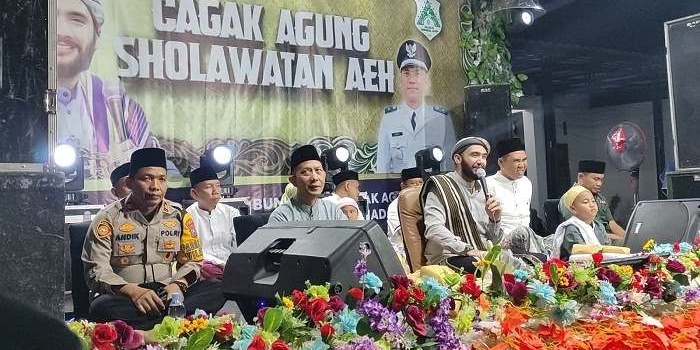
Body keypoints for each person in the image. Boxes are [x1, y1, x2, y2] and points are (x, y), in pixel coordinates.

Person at [82, 148, 225, 330]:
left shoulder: (179, 216)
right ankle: (173, 325)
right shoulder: (107, 218)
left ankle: (146, 328)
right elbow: (97, 270)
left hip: (167, 293)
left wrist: (177, 285)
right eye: (147, 178)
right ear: (130, 182)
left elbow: (193, 262)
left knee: (217, 288)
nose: (155, 186)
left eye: (162, 179)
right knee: (101, 307)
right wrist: (133, 291)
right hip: (125, 296)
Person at [57, 0, 151, 178]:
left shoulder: (121, 105)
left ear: (96, 37)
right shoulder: (17, 104)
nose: (61, 31)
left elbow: (162, 170)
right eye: (51, 20)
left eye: (76, 20)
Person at [421, 137, 504, 271]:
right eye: (475, 155)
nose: (480, 161)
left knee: (530, 260)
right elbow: (433, 228)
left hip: (482, 253)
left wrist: (495, 220)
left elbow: (493, 241)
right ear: (458, 159)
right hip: (449, 257)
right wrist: (466, 249)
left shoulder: (486, 190)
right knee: (491, 268)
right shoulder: (441, 186)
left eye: (484, 156)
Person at [376, 39, 456, 173]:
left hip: (432, 190)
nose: (412, 80)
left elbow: (450, 167)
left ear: (426, 79)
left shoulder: (441, 118)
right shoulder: (389, 118)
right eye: (406, 73)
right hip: (400, 190)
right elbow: (382, 167)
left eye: (417, 73)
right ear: (400, 79)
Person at [486, 138, 545, 253]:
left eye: (524, 160)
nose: (522, 165)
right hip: (501, 244)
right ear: (501, 162)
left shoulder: (526, 183)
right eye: (516, 161)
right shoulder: (489, 184)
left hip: (527, 242)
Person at [186, 166, 240, 280]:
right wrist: (220, 264)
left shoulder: (231, 213)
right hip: (206, 266)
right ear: (194, 193)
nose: (216, 191)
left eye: (218, 185)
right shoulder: (187, 216)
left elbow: (238, 245)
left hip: (231, 264)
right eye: (208, 187)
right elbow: (194, 251)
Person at [268, 145, 347, 222]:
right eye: (305, 172)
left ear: (324, 175)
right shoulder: (281, 217)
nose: (315, 178)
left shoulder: (333, 211)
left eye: (318, 170)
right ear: (293, 180)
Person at [558, 160, 626, 243]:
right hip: (588, 241)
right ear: (581, 177)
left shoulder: (600, 198)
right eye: (596, 179)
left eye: (601, 180)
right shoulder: (570, 199)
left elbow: (612, 224)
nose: (599, 184)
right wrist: (618, 238)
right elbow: (581, 230)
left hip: (606, 238)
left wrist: (627, 236)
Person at [552, 185, 607, 260]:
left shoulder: (599, 226)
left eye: (593, 201)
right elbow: (581, 253)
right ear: (573, 209)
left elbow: (607, 249)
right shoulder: (571, 228)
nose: (592, 205)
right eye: (585, 202)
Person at [386, 167, 424, 258]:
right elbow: (402, 233)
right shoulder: (395, 206)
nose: (417, 186)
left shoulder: (427, 202)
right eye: (413, 183)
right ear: (403, 186)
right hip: (402, 252)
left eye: (420, 183)